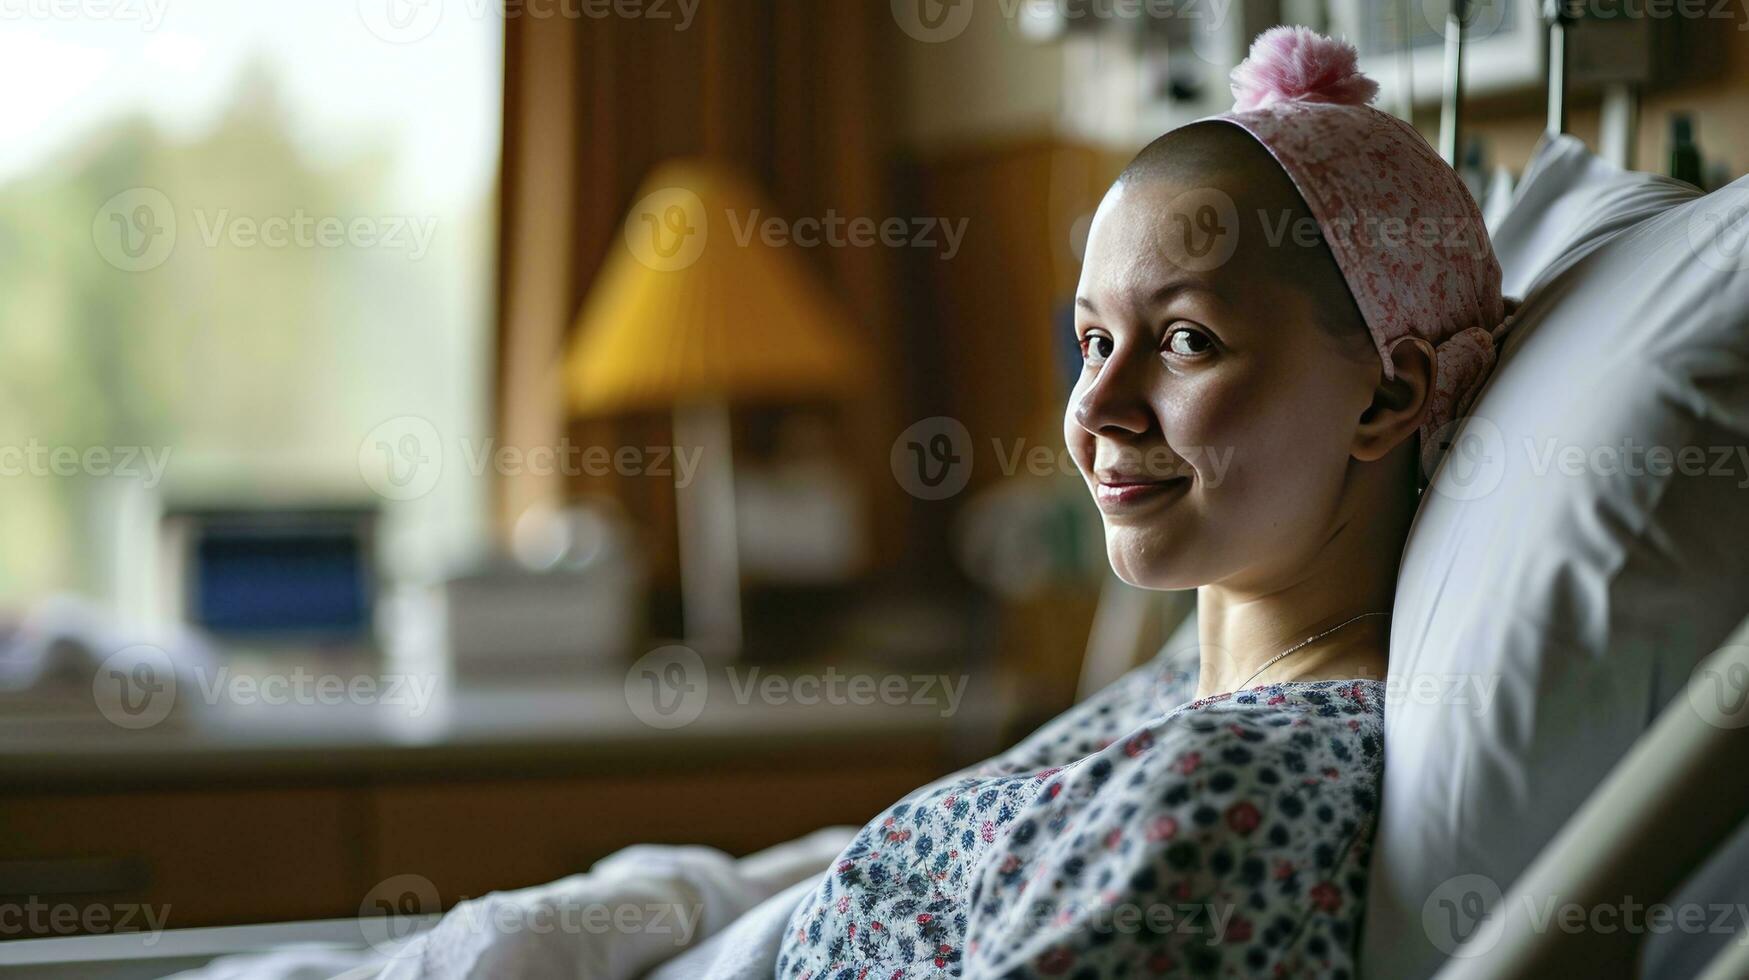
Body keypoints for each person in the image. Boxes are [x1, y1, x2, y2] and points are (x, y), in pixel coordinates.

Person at [777, 26, 1515, 978]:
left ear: (1384, 397)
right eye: (1092, 342)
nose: (1095, 408)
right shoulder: (1186, 691)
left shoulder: (1242, 779)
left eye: (1184, 342)